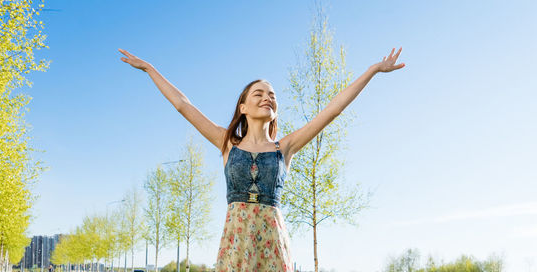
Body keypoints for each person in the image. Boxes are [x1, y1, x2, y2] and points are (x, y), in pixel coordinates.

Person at [119, 46, 404, 271]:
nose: (267, 97)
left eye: (272, 95)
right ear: (243, 106)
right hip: (236, 244)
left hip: (273, 244)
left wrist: (372, 71)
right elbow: (183, 105)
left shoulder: (286, 147)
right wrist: (149, 69)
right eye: (259, 93)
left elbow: (332, 110)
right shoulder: (226, 143)